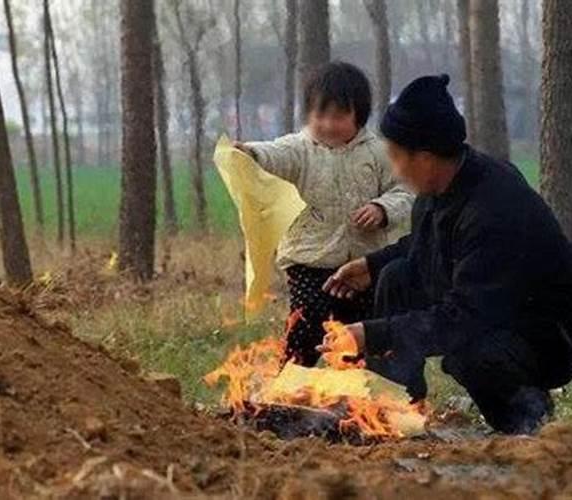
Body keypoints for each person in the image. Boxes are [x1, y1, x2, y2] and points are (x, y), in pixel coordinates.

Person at [322, 74, 572, 434]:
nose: (394, 169)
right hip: (487, 309)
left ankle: (527, 421)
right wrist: (371, 265)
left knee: (469, 353)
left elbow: (464, 317)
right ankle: (394, 408)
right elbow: (428, 249)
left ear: (424, 157)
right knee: (395, 276)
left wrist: (370, 334)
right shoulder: (438, 188)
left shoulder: (493, 207)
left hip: (541, 334)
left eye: (395, 157)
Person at [234, 61, 413, 367]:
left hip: (364, 265)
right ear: (308, 114)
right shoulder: (299, 149)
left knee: (361, 333)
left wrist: (382, 209)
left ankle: (358, 400)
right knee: (307, 324)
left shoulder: (379, 153)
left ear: (359, 116)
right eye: (320, 115)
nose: (328, 125)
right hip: (310, 260)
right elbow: (274, 154)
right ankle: (288, 387)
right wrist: (250, 153)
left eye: (339, 116)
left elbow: (406, 191)